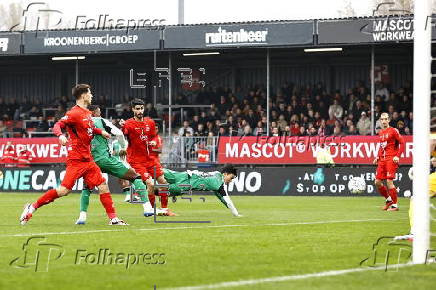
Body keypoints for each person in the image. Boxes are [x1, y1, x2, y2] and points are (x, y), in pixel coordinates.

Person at [19, 84, 127, 225]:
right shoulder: (73, 113)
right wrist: (60, 136)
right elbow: (58, 125)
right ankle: (32, 207)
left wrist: (101, 132)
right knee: (64, 190)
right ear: (83, 95)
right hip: (76, 159)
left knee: (103, 185)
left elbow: (90, 128)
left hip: (88, 159)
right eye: (90, 93)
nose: (92, 95)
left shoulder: (88, 113)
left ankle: (113, 219)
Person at [75, 105, 154, 225]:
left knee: (87, 188)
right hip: (105, 159)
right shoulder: (100, 121)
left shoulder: (80, 124)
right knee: (135, 176)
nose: (100, 114)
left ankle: (82, 217)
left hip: (90, 162)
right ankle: (147, 207)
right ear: (95, 113)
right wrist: (123, 147)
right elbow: (119, 133)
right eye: (99, 111)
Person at [120, 99, 175, 216]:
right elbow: (123, 134)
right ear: (133, 109)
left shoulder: (149, 122)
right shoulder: (128, 124)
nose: (140, 111)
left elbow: (152, 137)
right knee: (150, 184)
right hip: (136, 161)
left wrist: (154, 142)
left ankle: (164, 209)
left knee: (164, 182)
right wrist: (121, 126)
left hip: (150, 159)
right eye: (137, 109)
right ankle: (151, 209)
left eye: (142, 108)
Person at [152, 164, 241, 217]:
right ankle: (146, 195)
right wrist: (236, 214)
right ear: (225, 174)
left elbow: (222, 199)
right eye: (231, 177)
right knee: (161, 190)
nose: (231, 180)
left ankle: (142, 173)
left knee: (159, 171)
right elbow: (227, 200)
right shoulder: (218, 183)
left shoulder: (216, 174)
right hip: (186, 183)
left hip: (184, 174)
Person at [374, 112, 405, 211]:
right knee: (377, 182)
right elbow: (382, 147)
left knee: (389, 182)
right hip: (382, 160)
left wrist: (397, 156)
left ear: (389, 120)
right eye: (382, 119)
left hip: (391, 159)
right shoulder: (381, 133)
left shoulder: (393, 131)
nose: (384, 121)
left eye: (386, 119)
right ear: (380, 120)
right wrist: (377, 157)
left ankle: (395, 206)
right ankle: (388, 200)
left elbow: (402, 143)